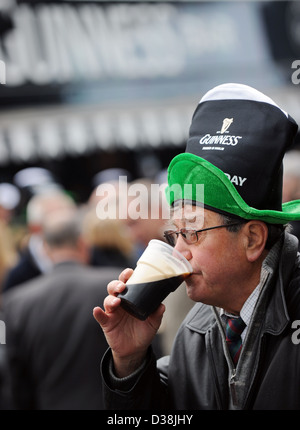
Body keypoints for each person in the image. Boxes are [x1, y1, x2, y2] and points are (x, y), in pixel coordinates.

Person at [93, 83, 300, 410]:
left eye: (191, 234)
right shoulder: (195, 331)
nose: (178, 254)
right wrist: (129, 360)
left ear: (253, 239)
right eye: (173, 235)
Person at [2, 208, 121, 409]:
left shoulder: (17, 302)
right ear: (83, 244)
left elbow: (14, 380)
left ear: (45, 249)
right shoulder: (114, 287)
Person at [2, 189, 76, 292]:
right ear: (35, 228)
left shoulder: (91, 259)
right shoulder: (18, 274)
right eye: (57, 227)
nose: (65, 233)